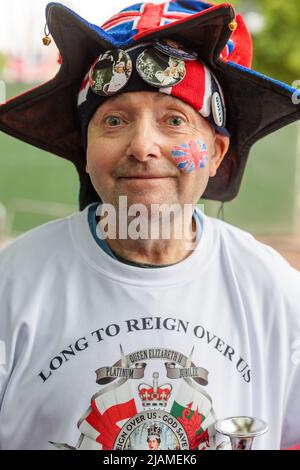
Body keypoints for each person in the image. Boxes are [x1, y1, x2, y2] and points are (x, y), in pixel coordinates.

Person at [0, 0, 300, 451]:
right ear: (85, 150)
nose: (142, 146)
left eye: (174, 120)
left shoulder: (273, 291)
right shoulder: (13, 286)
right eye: (114, 121)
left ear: (217, 153)